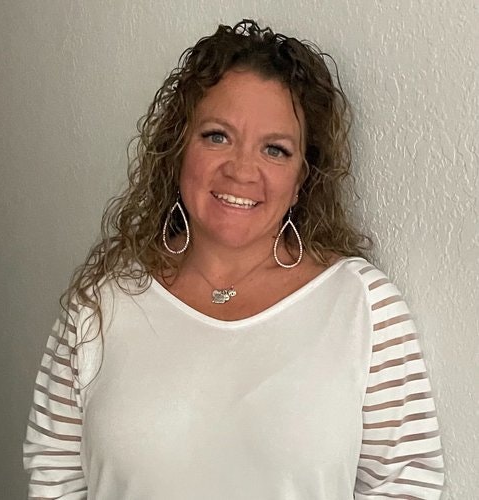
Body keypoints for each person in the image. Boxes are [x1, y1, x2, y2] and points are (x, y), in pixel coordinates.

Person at [23, 19, 444, 499]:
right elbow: (54, 477)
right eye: (217, 136)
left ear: (303, 176)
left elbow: (405, 484)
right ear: (178, 146)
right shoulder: (100, 303)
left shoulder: (363, 306)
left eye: (275, 149)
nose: (242, 169)